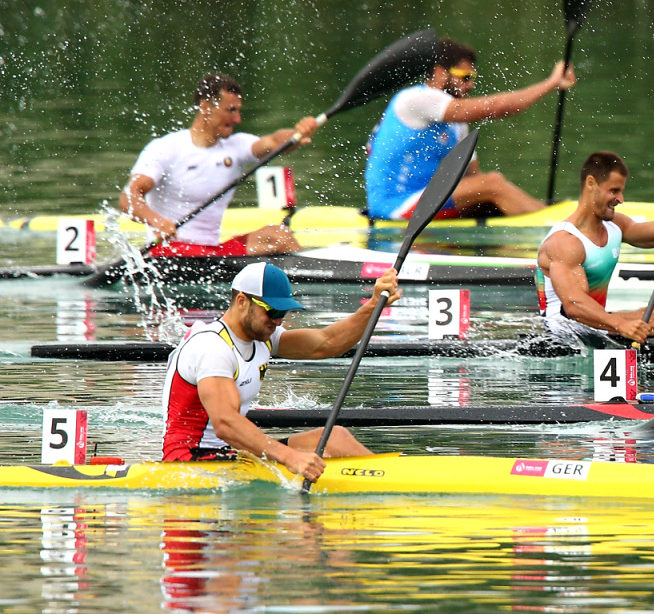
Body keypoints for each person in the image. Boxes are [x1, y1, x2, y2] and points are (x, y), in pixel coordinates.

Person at [161, 261, 399, 482]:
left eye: (282, 313)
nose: (278, 321)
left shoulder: (263, 337)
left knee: (336, 438)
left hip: (230, 453)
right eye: (272, 311)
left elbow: (327, 342)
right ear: (242, 301)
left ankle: (394, 478)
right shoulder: (212, 347)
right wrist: (289, 457)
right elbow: (226, 423)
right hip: (189, 461)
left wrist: (372, 306)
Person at [364, 37, 575, 220]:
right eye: (464, 77)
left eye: (472, 78)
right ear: (439, 73)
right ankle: (557, 227)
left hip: (426, 202)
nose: (471, 85)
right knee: (494, 183)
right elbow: (498, 108)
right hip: (392, 205)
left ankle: (537, 223)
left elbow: (473, 180)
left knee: (490, 195)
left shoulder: (457, 124)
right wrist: (552, 83)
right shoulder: (415, 99)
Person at [120, 72, 319, 257]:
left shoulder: (236, 147)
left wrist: (296, 134)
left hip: (212, 253)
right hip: (171, 252)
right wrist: (157, 222)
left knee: (278, 235)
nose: (237, 119)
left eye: (238, 111)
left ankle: (316, 271)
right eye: (231, 110)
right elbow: (128, 197)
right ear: (206, 107)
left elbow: (275, 142)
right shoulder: (166, 148)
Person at [536, 151, 654, 344]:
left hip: (599, 322)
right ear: (591, 183)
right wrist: (621, 325)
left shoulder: (614, 225)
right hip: (568, 333)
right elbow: (574, 305)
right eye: (614, 191)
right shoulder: (564, 242)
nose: (621, 199)